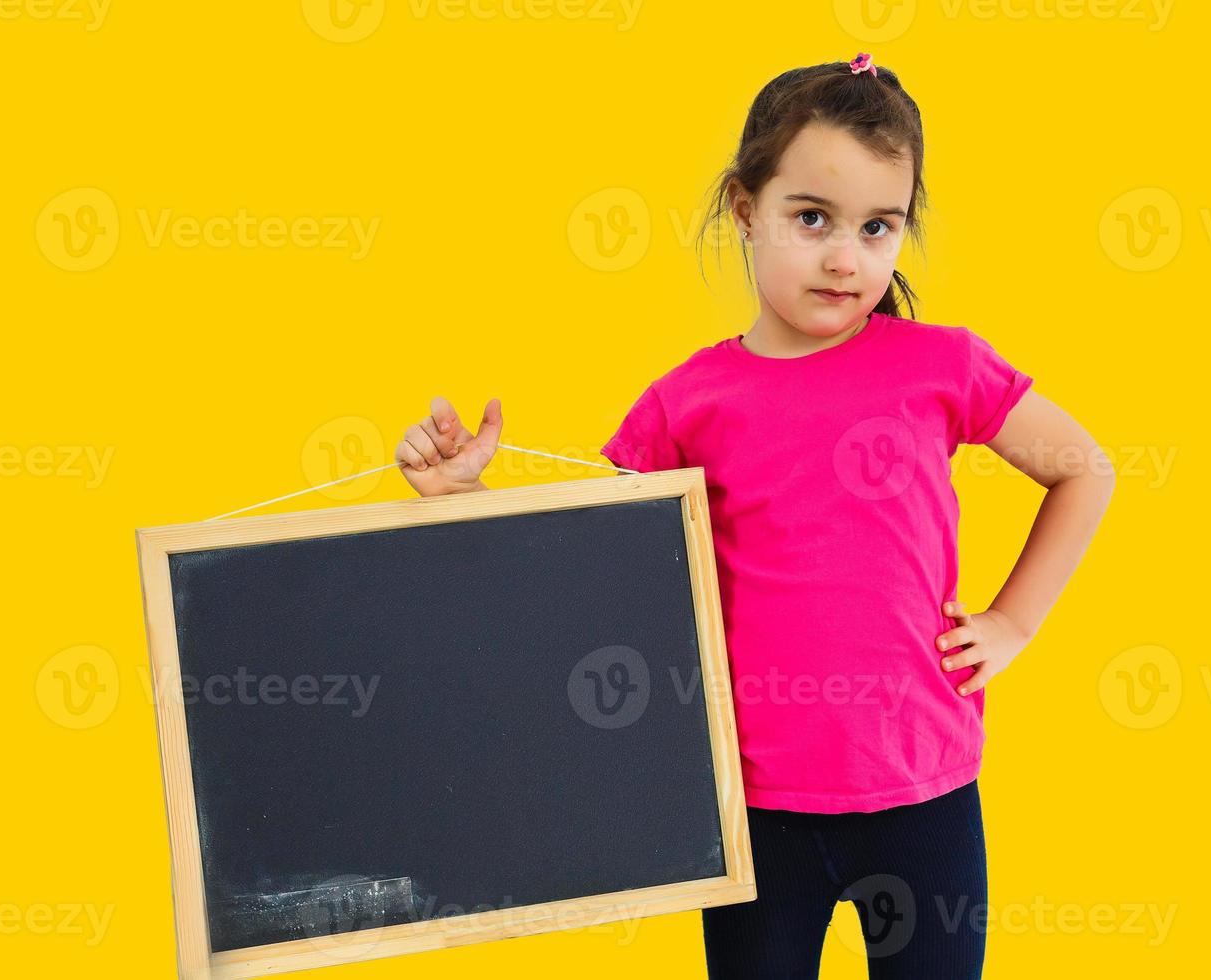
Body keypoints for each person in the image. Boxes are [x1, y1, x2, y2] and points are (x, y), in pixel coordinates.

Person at [394, 51, 1114, 980]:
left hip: (925, 791)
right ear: (745, 208)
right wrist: (470, 500)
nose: (846, 257)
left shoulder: (941, 365)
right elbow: (594, 556)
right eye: (811, 218)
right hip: (752, 807)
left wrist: (1015, 620)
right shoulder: (690, 401)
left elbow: (1083, 469)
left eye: (879, 226)